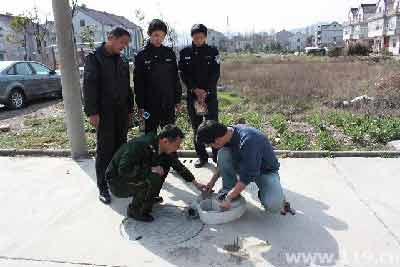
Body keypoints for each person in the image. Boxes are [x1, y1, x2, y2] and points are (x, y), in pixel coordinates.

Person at [105, 125, 207, 222]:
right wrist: (150, 169)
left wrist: (196, 183)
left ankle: (149, 198)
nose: (178, 148)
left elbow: (177, 165)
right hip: (117, 182)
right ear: (165, 141)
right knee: (153, 176)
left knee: (164, 166)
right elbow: (123, 170)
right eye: (176, 145)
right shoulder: (139, 146)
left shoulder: (162, 147)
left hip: (130, 176)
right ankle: (135, 210)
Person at [83, 27, 134, 205]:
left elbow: (127, 88)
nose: (124, 47)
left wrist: (130, 109)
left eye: (126, 44)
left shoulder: (122, 61)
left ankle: (117, 182)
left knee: (121, 148)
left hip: (121, 112)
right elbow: (88, 88)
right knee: (105, 150)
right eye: (122, 43)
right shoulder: (94, 59)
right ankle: (103, 187)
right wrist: (92, 112)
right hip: (104, 113)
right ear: (111, 38)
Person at [197, 120, 293, 215]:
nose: (211, 147)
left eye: (209, 144)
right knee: (223, 153)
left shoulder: (249, 140)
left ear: (217, 140)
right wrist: (212, 182)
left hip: (265, 171)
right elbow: (223, 163)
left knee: (273, 205)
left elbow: (247, 176)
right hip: (245, 166)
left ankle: (265, 192)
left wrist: (229, 198)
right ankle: (228, 189)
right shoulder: (227, 134)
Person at [179, 24, 221, 168]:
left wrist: (206, 91)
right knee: (197, 127)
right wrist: (195, 90)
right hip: (194, 96)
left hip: (209, 97)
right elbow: (183, 74)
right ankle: (202, 156)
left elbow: (215, 73)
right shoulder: (185, 52)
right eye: (196, 37)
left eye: (201, 37)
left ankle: (217, 156)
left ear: (205, 37)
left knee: (213, 126)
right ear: (192, 37)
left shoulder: (212, 51)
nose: (198, 40)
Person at [134, 19, 182, 134]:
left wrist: (177, 100)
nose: (158, 38)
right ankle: (152, 152)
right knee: (149, 134)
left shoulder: (169, 54)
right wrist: (140, 105)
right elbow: (138, 82)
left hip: (168, 103)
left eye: (162, 36)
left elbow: (175, 78)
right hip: (149, 106)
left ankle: (169, 153)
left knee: (170, 134)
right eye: (155, 35)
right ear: (149, 34)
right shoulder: (141, 56)